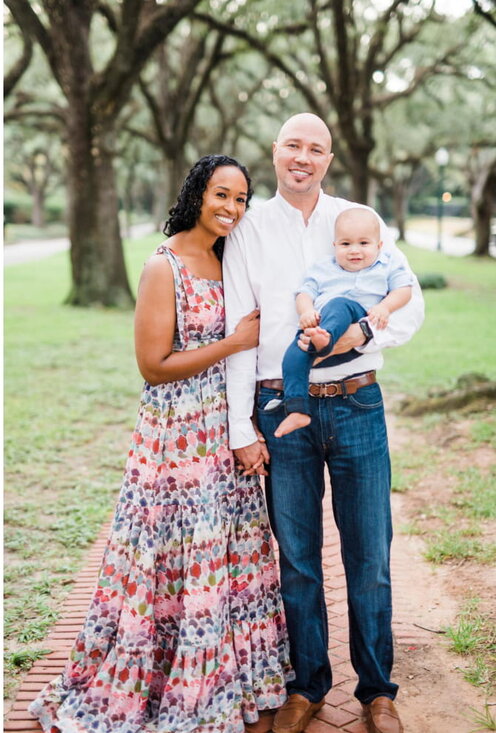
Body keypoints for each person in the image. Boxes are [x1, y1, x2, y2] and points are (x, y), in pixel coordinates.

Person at [29, 155, 291, 733]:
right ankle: (163, 678)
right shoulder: (162, 264)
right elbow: (154, 365)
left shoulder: (232, 257)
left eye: (242, 199)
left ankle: (230, 679)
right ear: (198, 193)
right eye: (222, 194)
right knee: (174, 558)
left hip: (228, 428)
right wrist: (232, 342)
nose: (231, 208)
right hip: (177, 435)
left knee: (227, 554)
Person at [223, 113, 425, 733]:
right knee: (298, 558)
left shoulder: (356, 221)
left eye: (316, 149)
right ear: (275, 152)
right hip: (282, 409)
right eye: (292, 146)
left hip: (358, 402)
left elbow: (410, 300)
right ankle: (305, 686)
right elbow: (239, 330)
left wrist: (368, 328)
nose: (302, 158)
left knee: (370, 555)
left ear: (328, 159)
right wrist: (240, 427)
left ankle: (377, 692)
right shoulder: (249, 228)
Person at [275, 206, 414, 438]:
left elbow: (404, 290)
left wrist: (384, 307)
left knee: (339, 304)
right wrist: (306, 310)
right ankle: (297, 409)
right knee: (293, 354)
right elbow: (304, 293)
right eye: (346, 244)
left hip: (355, 321)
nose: (354, 250)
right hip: (320, 329)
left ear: (379, 246)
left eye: (364, 243)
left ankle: (324, 340)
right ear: (335, 246)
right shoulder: (323, 268)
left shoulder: (387, 264)